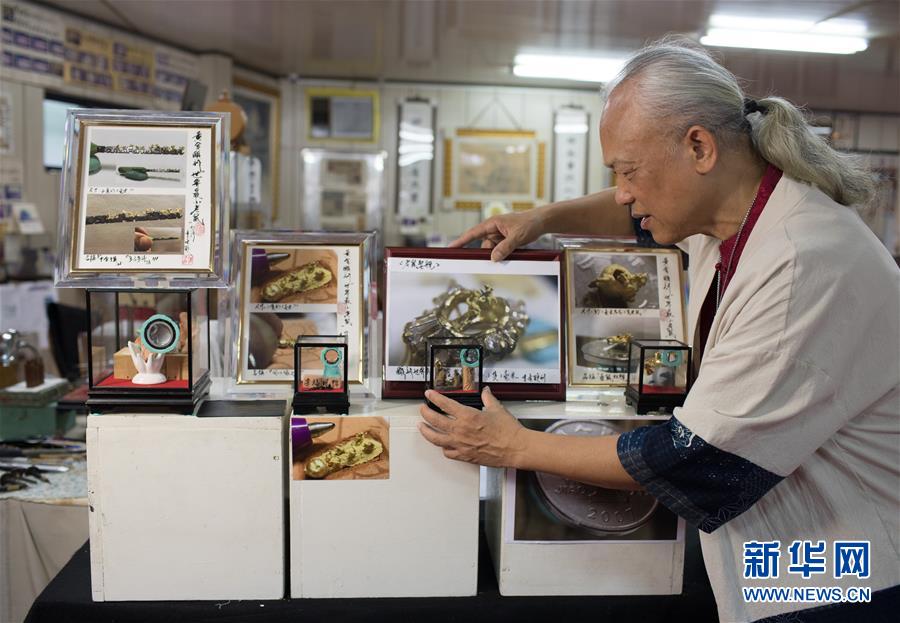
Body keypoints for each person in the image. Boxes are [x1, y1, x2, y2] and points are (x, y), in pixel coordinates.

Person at [417, 39, 900, 623]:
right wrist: (544, 218)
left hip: (841, 578)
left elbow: (696, 459)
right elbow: (631, 212)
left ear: (699, 146)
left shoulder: (804, 261)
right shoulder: (728, 213)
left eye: (629, 170)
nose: (623, 191)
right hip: (789, 559)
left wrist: (514, 446)